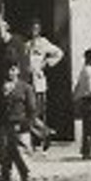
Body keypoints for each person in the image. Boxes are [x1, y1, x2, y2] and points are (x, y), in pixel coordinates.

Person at [0, 62, 38, 181]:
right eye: (7, 69)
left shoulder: (25, 88)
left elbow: (32, 111)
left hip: (20, 131)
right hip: (3, 131)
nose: (10, 73)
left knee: (24, 167)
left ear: (18, 70)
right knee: (5, 167)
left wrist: (24, 126)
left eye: (13, 69)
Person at [16, 17, 65, 152]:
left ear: (39, 30)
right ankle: (44, 133)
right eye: (31, 28)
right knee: (28, 112)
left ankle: (40, 138)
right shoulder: (25, 45)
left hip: (38, 81)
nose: (33, 31)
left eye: (36, 28)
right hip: (27, 81)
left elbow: (59, 53)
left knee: (38, 111)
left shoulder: (43, 43)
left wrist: (46, 63)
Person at [73, 45, 91, 160]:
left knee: (87, 127)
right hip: (90, 101)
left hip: (84, 101)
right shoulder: (90, 72)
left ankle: (86, 151)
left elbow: (77, 87)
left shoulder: (84, 71)